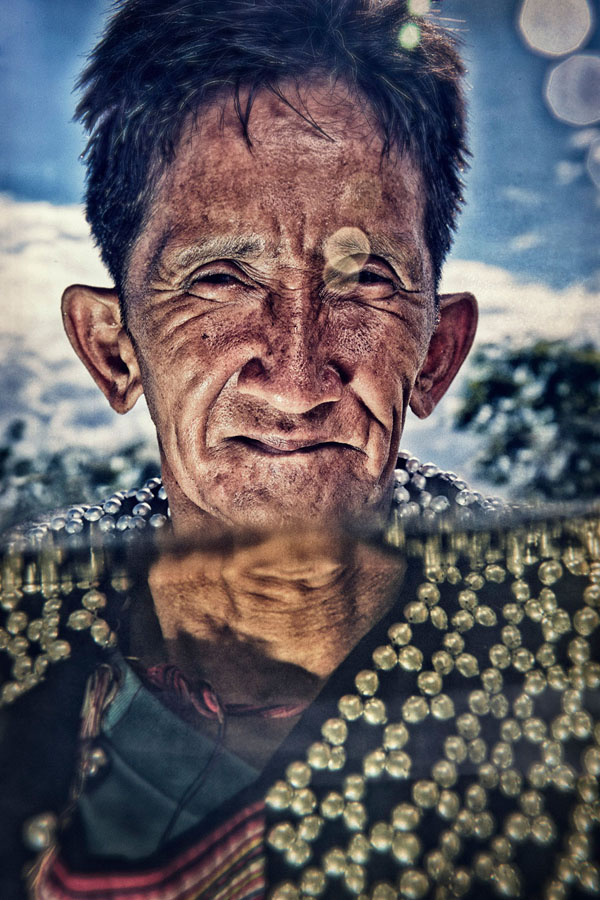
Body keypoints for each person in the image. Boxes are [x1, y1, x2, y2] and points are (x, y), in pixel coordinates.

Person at [1, 1, 598, 898]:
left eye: (365, 282)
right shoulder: (24, 628)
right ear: (113, 348)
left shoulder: (571, 641)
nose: (295, 372)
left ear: (435, 354)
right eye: (220, 277)